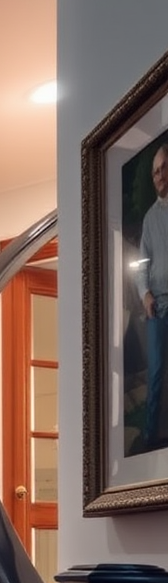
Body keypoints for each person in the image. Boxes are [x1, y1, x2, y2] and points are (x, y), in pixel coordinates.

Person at [134, 141, 168, 449]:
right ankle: (148, 439)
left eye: (162, 169)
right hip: (158, 306)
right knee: (156, 373)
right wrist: (144, 293)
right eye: (155, 172)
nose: (158, 176)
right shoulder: (149, 219)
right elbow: (141, 265)